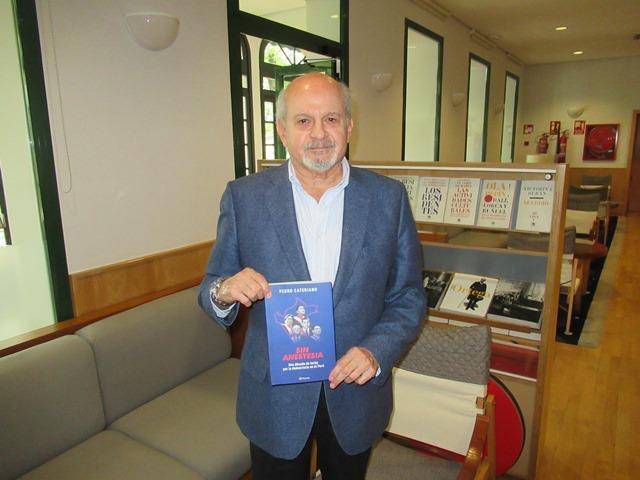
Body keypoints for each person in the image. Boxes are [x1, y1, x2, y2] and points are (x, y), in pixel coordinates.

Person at [198, 72, 425, 480]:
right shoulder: (244, 198)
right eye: (304, 120)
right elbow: (210, 285)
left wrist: (376, 352)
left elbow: (408, 296)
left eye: (331, 119)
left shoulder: (387, 199)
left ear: (349, 126)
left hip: (355, 390)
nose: (319, 133)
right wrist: (225, 290)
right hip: (275, 397)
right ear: (282, 131)